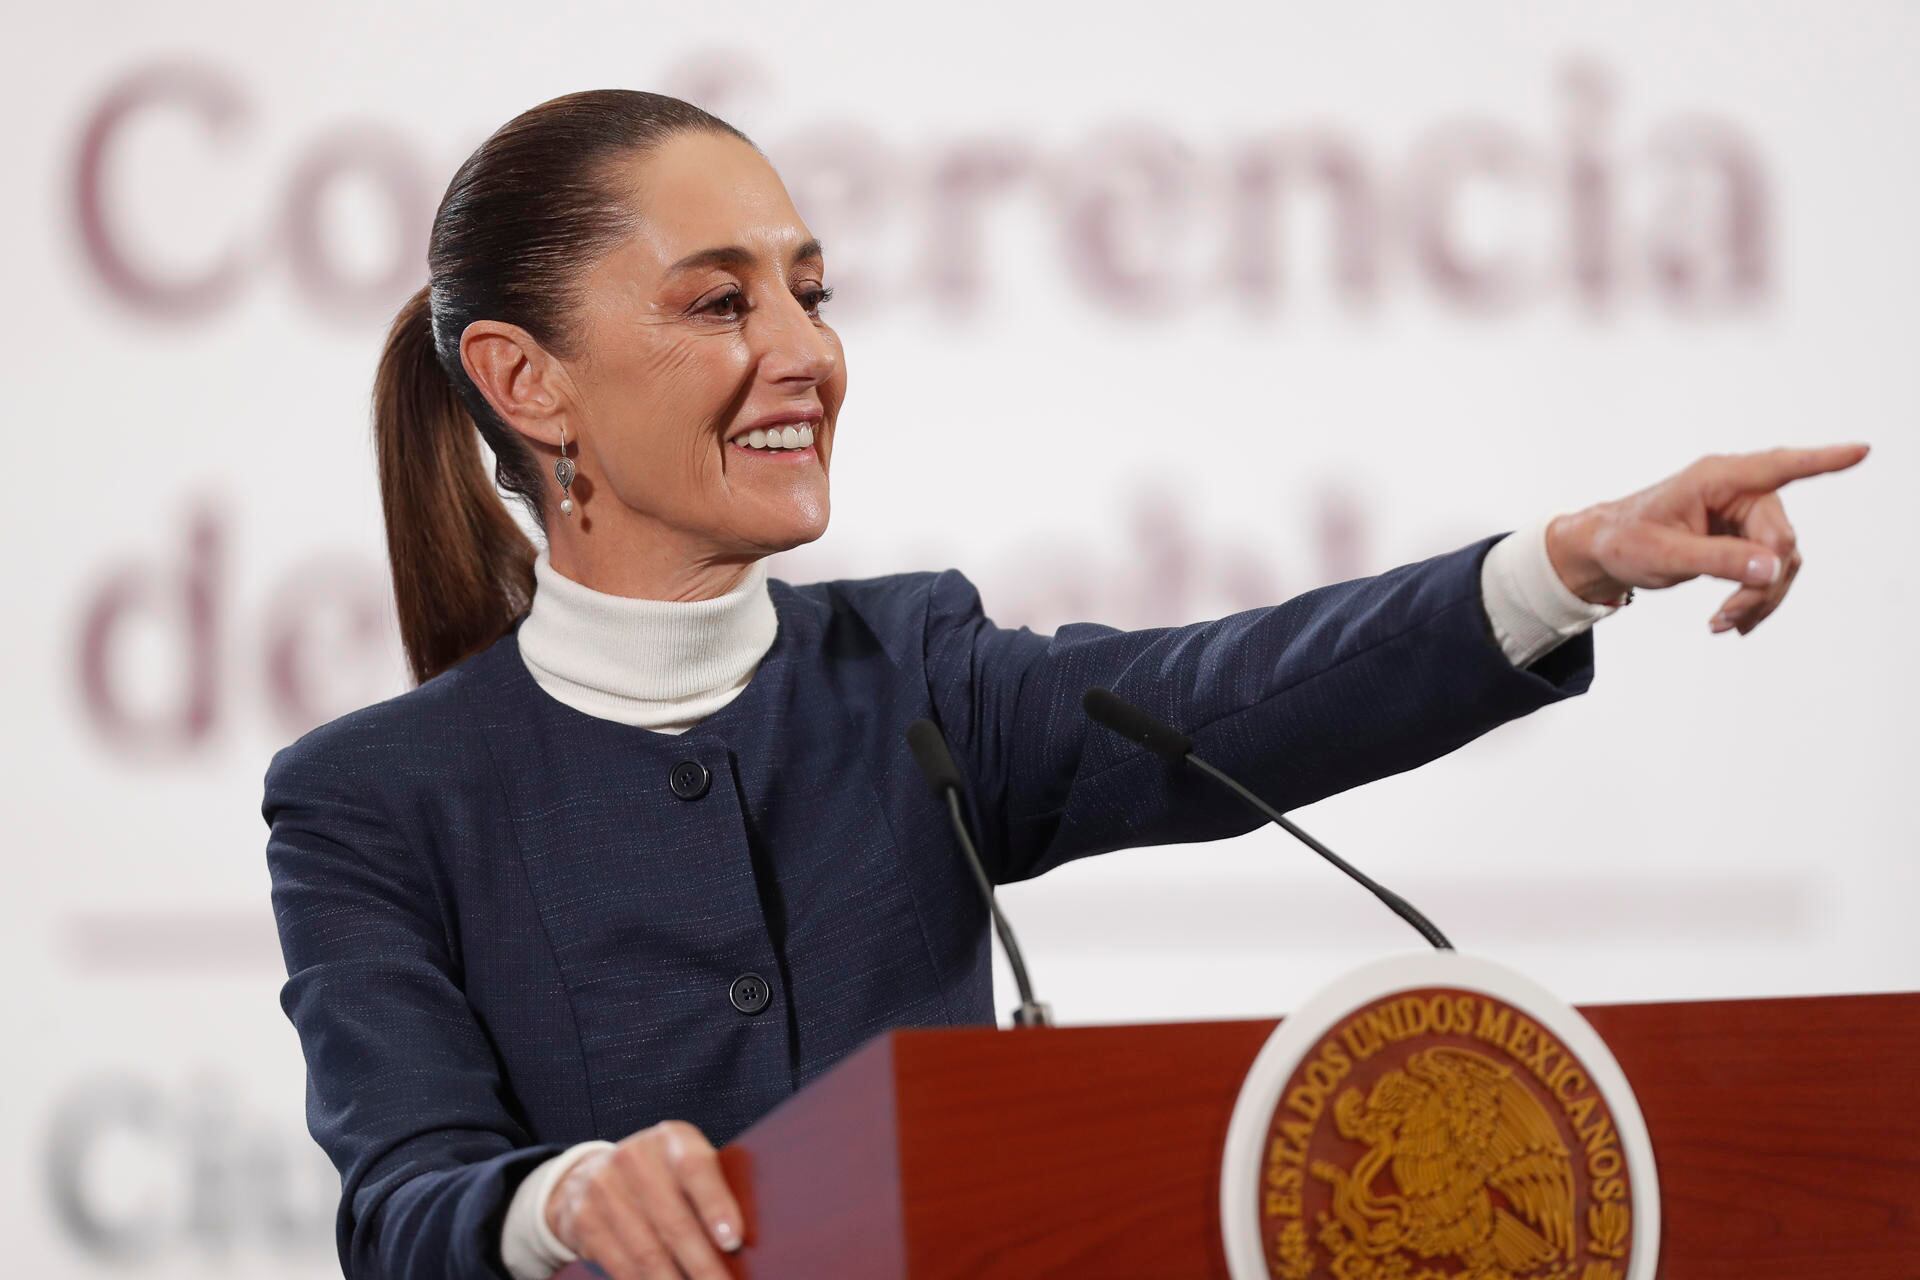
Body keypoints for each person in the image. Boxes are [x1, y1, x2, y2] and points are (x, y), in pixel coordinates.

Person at [260, 88, 1868, 1280]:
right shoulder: (369, 801)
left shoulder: (914, 676)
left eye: (811, 290)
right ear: (526, 382)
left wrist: (1571, 559)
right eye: (719, 300)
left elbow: (1237, 693)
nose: (807, 351)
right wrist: (562, 1203)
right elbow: (404, 1203)